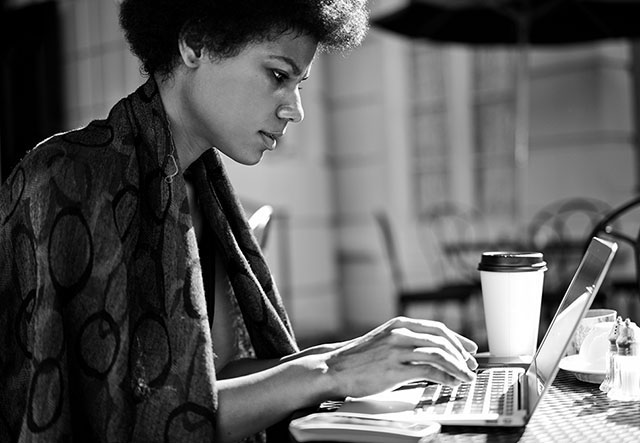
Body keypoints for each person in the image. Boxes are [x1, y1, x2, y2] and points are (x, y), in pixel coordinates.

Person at [0, 1, 478, 442]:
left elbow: (213, 382)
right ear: (195, 45)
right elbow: (123, 423)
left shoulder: (198, 186)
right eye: (276, 74)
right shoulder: (67, 177)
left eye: (299, 83)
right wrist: (330, 370)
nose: (296, 109)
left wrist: (367, 355)